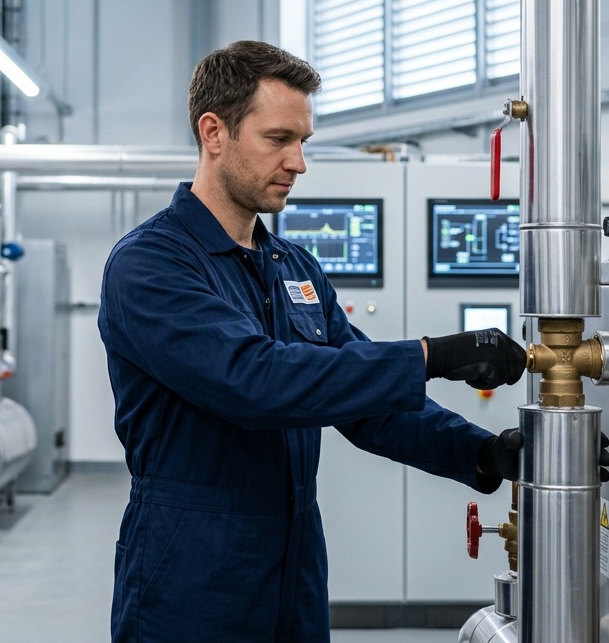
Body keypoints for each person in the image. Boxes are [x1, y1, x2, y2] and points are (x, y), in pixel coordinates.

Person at [98, 41, 528, 642]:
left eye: (303, 142)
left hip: (294, 567)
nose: (299, 163)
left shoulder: (293, 265)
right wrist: (434, 356)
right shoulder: (151, 265)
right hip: (191, 570)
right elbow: (255, 380)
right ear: (213, 132)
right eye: (278, 139)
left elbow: (362, 398)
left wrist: (481, 452)